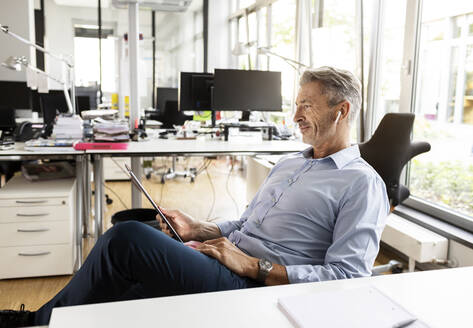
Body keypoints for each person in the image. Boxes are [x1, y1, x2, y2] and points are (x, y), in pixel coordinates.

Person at [0, 66, 389, 327]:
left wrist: (256, 267)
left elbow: (349, 276)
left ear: (342, 111)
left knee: (126, 238)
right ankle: (47, 320)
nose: (296, 116)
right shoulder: (289, 163)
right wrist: (198, 229)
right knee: (126, 282)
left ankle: (35, 323)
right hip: (220, 258)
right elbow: (243, 223)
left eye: (307, 105)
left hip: (256, 284)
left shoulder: (361, 183)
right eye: (296, 104)